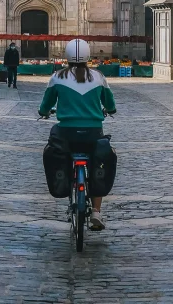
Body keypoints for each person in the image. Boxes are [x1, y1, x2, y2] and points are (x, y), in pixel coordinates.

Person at [38, 38, 116, 231]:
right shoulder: (98, 77)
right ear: (88, 56)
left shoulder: (57, 77)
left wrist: (44, 112)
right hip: (92, 133)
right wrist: (109, 110)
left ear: (67, 56)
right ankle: (96, 211)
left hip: (66, 134)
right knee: (99, 162)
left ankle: (65, 182)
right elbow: (110, 104)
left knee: (58, 151)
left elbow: (45, 105)